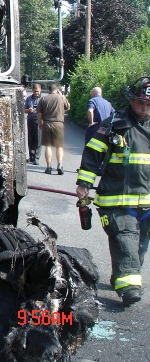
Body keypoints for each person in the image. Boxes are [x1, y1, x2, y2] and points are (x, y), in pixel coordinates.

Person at [76, 77, 150, 307]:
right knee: (125, 239)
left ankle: (122, 275)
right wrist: (84, 185)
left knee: (139, 245)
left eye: (149, 104)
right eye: (141, 103)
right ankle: (129, 287)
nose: (145, 108)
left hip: (147, 202)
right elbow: (92, 155)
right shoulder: (112, 125)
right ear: (131, 100)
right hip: (117, 200)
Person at [37, 83, 70, 175]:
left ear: (49, 90)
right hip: (58, 123)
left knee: (48, 146)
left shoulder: (43, 99)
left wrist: (40, 123)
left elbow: (39, 113)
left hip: (47, 123)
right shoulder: (61, 98)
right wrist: (62, 95)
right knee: (59, 146)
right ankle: (59, 164)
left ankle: (49, 167)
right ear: (57, 89)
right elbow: (68, 107)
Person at [24, 84, 42, 164]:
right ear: (32, 90)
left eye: (37, 91)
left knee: (38, 140)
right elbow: (24, 110)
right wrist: (29, 110)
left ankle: (36, 158)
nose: (36, 93)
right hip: (30, 119)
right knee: (31, 139)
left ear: (40, 90)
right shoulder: (28, 99)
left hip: (38, 120)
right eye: (35, 91)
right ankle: (31, 157)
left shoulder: (43, 99)